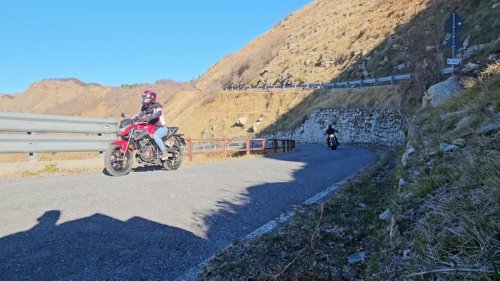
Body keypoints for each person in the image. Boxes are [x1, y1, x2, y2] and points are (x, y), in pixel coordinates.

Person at [132, 89, 170, 159]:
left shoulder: (157, 105)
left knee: (156, 136)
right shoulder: (144, 107)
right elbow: (140, 114)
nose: (144, 100)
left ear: (152, 98)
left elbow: (159, 113)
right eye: (144, 98)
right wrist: (131, 119)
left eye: (146, 99)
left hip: (161, 127)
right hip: (151, 128)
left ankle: (165, 153)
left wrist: (149, 117)